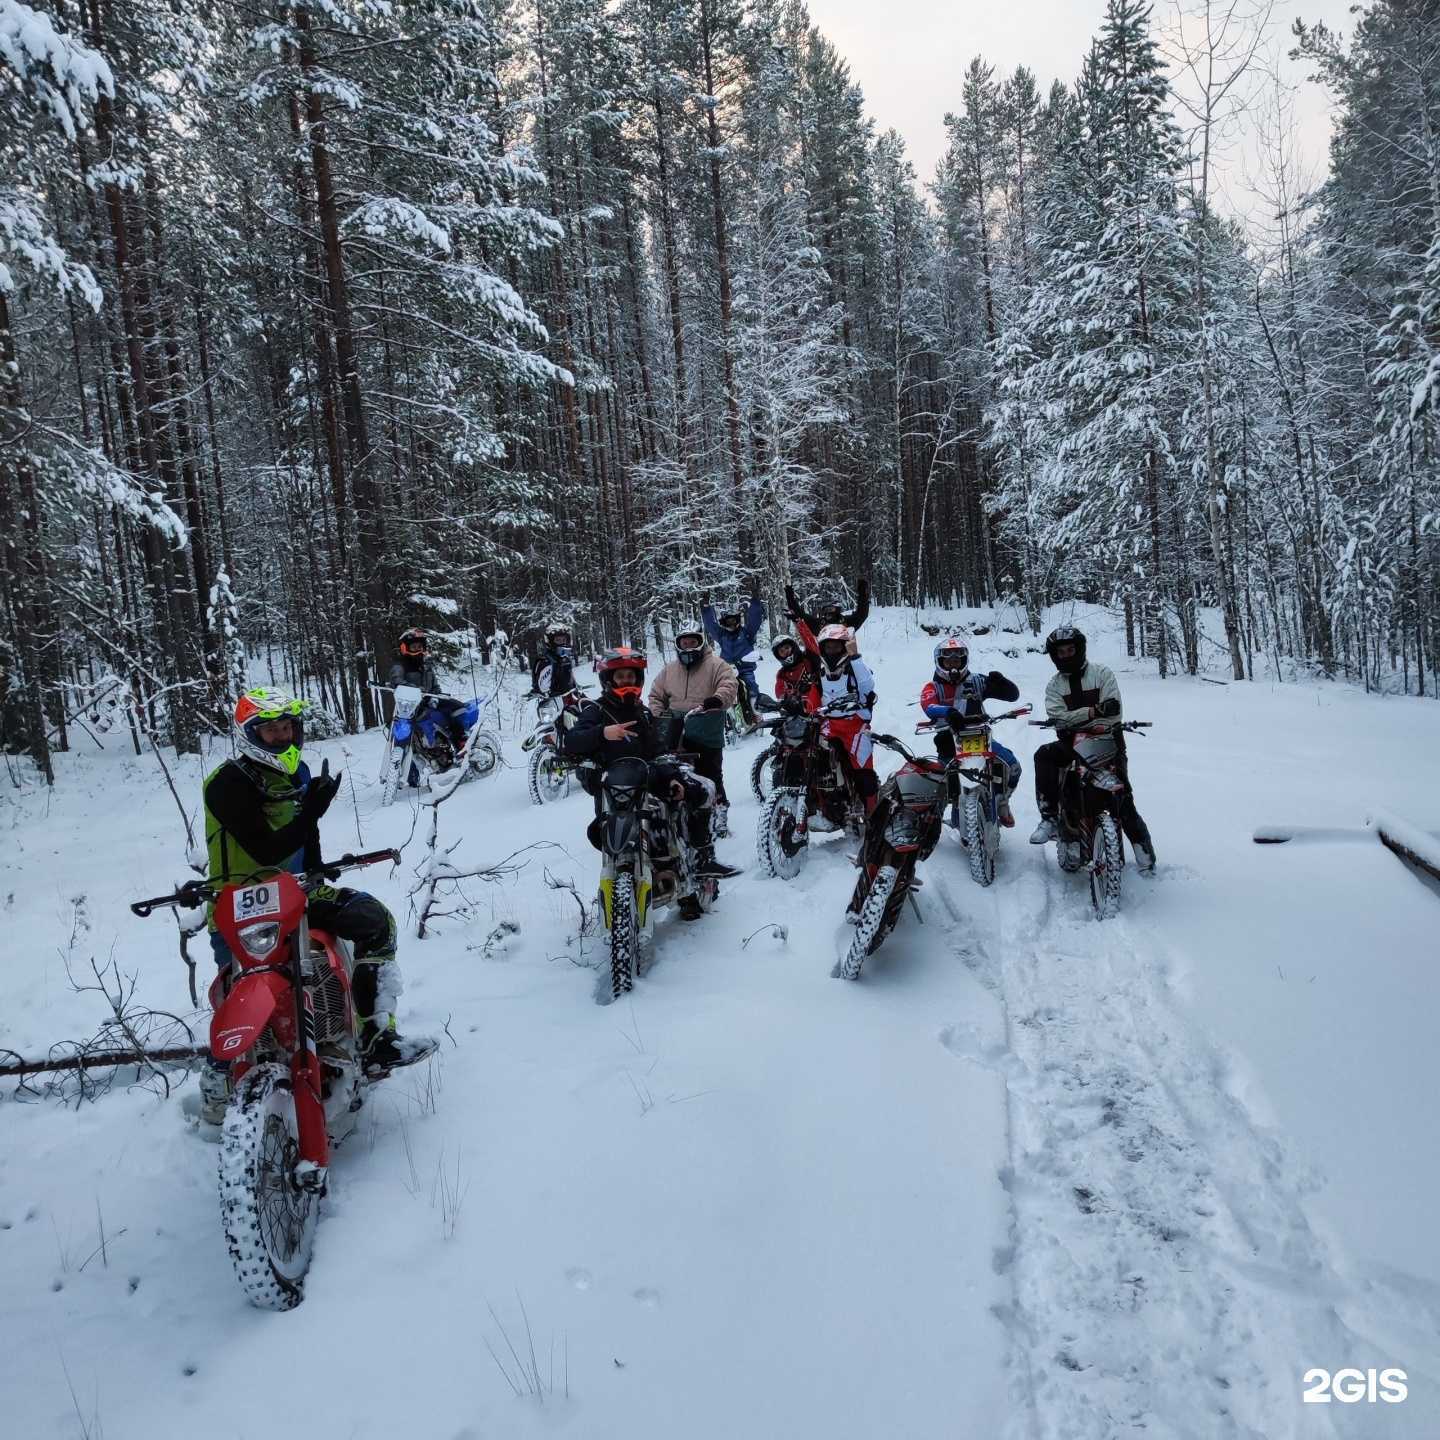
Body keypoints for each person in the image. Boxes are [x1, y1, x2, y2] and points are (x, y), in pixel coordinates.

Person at [199, 688, 432, 1121]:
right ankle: (218, 1074)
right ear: (251, 734)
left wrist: (318, 867)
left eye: (288, 728)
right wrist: (314, 809)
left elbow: (304, 838)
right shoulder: (227, 783)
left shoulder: (298, 772)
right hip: (241, 908)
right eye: (271, 731)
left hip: (299, 893)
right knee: (236, 986)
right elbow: (266, 848)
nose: (282, 738)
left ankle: (377, 1035)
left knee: (375, 921)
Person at [562, 648, 739, 916]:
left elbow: (657, 751)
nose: (627, 682)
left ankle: (701, 863)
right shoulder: (595, 710)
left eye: (631, 677)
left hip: (647, 778)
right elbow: (570, 742)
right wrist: (602, 734)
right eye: (620, 677)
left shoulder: (643, 714)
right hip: (614, 787)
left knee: (702, 789)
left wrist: (672, 777)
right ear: (609, 680)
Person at [1029, 626, 1155, 870]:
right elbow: (1058, 717)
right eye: (1061, 652)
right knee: (1045, 757)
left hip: (1108, 741)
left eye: (1070, 650)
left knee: (1123, 799)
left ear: (1080, 649)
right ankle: (1050, 818)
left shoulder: (1102, 673)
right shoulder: (1054, 686)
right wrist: (1094, 712)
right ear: (1055, 656)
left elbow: (1113, 712)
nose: (1066, 655)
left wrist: (1078, 719)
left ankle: (1146, 860)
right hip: (1072, 744)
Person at [647, 624, 739, 836]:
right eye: (684, 643)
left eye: (693, 642)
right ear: (678, 644)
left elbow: (729, 684)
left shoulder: (716, 665)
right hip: (674, 727)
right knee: (669, 768)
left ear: (701, 642)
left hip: (705, 725)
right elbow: (655, 695)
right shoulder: (669, 670)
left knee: (710, 772)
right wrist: (660, 714)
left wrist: (717, 699)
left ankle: (719, 810)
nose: (688, 647)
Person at [919, 637, 1022, 827]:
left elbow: (1013, 696)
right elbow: (928, 705)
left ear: (964, 661)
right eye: (948, 662)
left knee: (1013, 766)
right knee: (940, 785)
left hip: (979, 737)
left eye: (957, 661)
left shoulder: (976, 681)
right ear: (940, 662)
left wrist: (1002, 683)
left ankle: (1003, 802)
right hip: (948, 740)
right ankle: (931, 822)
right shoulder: (932, 687)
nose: (953, 666)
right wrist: (947, 712)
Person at [814, 623, 878, 814]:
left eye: (836, 646)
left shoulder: (854, 667)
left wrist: (855, 656)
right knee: (809, 752)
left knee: (864, 771)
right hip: (828, 723)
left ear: (844, 646)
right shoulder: (820, 669)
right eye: (828, 646)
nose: (832, 650)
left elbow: (867, 686)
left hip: (854, 724)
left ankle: (872, 812)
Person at [387, 628, 470, 751]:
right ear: (405, 647)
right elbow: (396, 680)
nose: (418, 649)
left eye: (420, 646)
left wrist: (435, 696)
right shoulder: (400, 665)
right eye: (414, 647)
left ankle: (461, 742)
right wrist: (416, 690)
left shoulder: (426, 665)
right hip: (410, 707)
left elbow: (435, 686)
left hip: (429, 701)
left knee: (456, 706)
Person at [701, 592, 765, 725]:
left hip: (745, 669)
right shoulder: (721, 635)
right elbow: (710, 625)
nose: (731, 624)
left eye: (733, 620)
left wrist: (755, 602)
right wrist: (706, 607)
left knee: (751, 686)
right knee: (720, 691)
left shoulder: (747, 633)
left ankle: (756, 713)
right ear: (724, 622)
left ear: (737, 620)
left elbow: (755, 620)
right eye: (728, 621)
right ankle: (723, 717)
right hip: (727, 670)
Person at [784, 577, 870, 653]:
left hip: (846, 657)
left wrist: (863, 593)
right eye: (828, 609)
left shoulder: (846, 622)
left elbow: (862, 614)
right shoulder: (819, 624)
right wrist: (790, 598)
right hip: (825, 660)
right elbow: (801, 615)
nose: (830, 613)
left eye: (832, 608)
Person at [771, 623, 821, 712]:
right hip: (797, 712)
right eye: (781, 651)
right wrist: (792, 694)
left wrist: (799, 624)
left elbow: (811, 644)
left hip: (818, 707)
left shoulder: (808, 659)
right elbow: (780, 693)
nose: (785, 652)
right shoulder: (782, 673)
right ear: (778, 655)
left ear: (793, 646)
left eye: (787, 648)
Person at [530, 621, 576, 699]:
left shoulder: (565, 658)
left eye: (563, 640)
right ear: (550, 641)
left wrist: (574, 686)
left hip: (570, 697)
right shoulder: (546, 661)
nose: (562, 643)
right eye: (558, 640)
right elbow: (543, 688)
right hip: (554, 703)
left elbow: (570, 678)